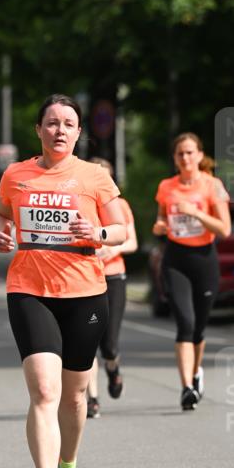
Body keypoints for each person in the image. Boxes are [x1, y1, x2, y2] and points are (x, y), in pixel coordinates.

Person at [0, 93, 127, 468]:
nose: (60, 130)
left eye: (68, 123)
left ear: (79, 132)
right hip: (29, 288)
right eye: (51, 122)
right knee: (44, 392)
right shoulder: (16, 175)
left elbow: (122, 226)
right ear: (38, 129)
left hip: (86, 293)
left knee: (73, 396)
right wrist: (0, 233)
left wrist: (99, 231)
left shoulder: (93, 177)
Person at [153, 134, 231, 410]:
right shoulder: (166, 186)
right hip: (176, 259)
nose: (185, 159)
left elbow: (225, 229)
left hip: (204, 260)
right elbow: (161, 217)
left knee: (198, 327)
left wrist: (196, 214)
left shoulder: (214, 185)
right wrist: (160, 225)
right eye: (179, 154)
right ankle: (187, 387)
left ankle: (197, 373)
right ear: (174, 159)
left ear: (199, 155)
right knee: (184, 323)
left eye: (189, 153)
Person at [86, 158, 138, 419]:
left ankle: (113, 367)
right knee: (87, 343)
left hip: (114, 278)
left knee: (109, 345)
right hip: (85, 280)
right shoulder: (81, 202)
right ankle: (92, 398)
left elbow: (132, 243)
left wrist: (110, 249)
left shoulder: (120, 205)